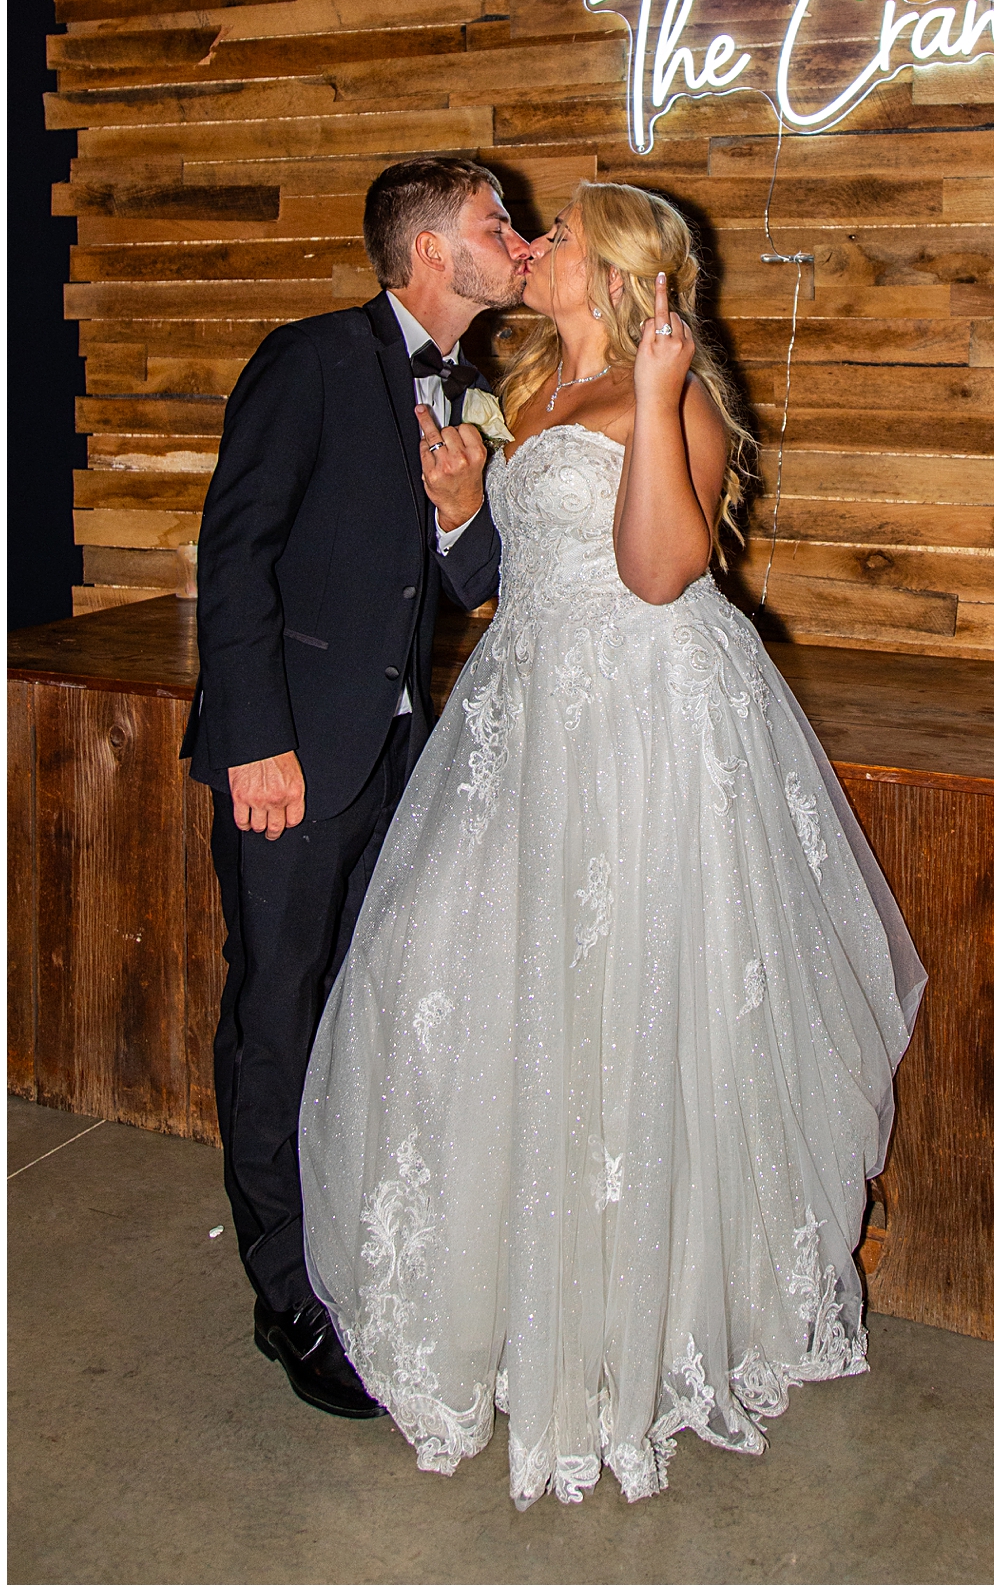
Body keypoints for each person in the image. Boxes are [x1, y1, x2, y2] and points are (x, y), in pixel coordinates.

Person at [299, 180, 925, 1506]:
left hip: (647, 726)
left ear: (618, 266)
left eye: (559, 235)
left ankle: (637, 1315)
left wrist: (650, 392)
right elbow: (514, 580)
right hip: (530, 720)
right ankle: (522, 1295)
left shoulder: (676, 394)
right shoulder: (519, 388)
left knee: (633, 1005)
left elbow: (655, 572)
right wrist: (468, 504)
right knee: (466, 979)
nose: (533, 244)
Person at [183, 155, 531, 1418]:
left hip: (398, 759)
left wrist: (460, 507)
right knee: (276, 1015)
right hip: (290, 758)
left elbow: (464, 581)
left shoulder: (474, 388)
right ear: (432, 250)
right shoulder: (312, 356)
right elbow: (233, 558)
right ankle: (287, 1294)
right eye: (499, 223)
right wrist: (255, 738)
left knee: (369, 1010)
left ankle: (354, 1239)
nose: (519, 239)